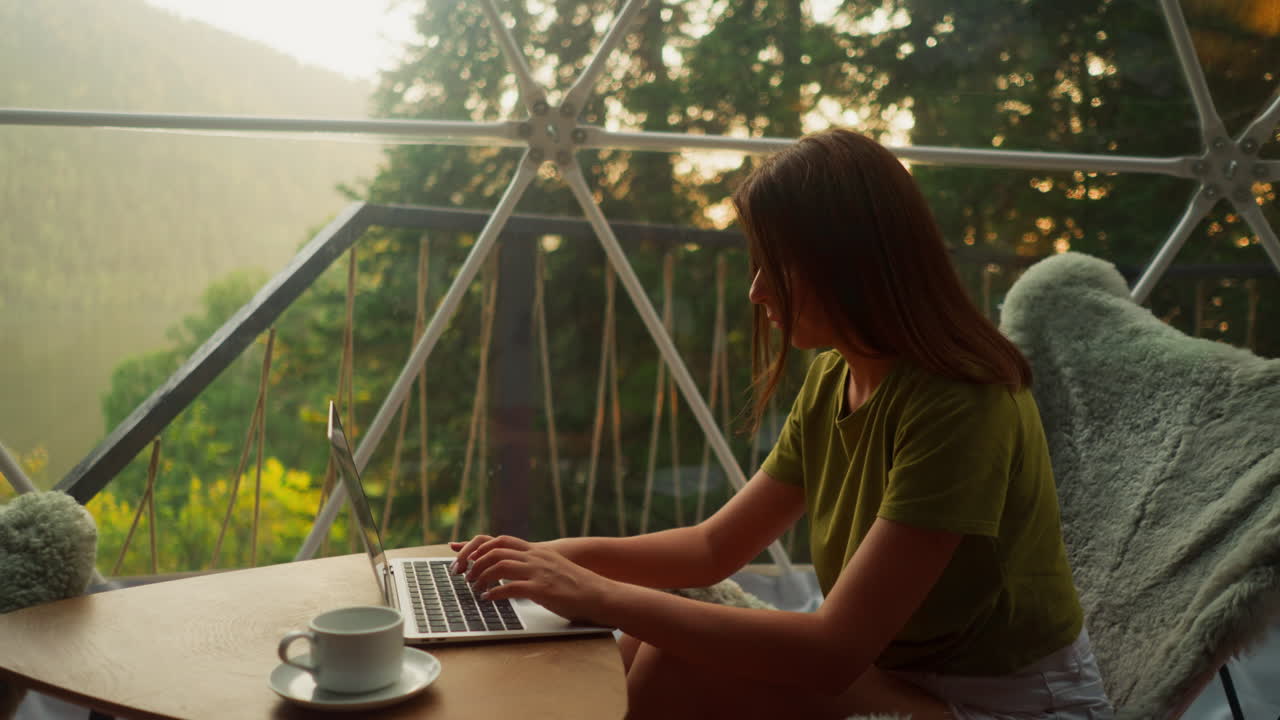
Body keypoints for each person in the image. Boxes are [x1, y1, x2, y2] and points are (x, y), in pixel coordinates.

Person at [451, 128, 1114, 719]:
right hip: (899, 678)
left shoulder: (961, 403)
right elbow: (712, 548)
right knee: (646, 646)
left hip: (1004, 703)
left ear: (849, 263)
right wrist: (541, 560)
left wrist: (598, 594)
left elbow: (832, 653)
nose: (757, 290)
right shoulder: (837, 375)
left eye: (777, 264)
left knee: (672, 657)